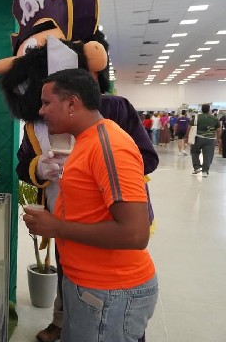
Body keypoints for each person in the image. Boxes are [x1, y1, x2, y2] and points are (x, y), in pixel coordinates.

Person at [24, 69, 158, 342]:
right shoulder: (88, 141)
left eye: (47, 103)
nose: (41, 110)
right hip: (88, 286)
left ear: (72, 103)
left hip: (109, 292)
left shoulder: (110, 146)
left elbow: (135, 234)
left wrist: (57, 227)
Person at [188, 104, 221, 177]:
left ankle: (196, 168)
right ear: (209, 110)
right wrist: (218, 138)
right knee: (208, 155)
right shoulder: (214, 118)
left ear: (201, 110)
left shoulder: (196, 117)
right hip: (210, 139)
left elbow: (190, 127)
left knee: (194, 152)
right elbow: (219, 129)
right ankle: (205, 171)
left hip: (197, 138)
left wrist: (187, 136)